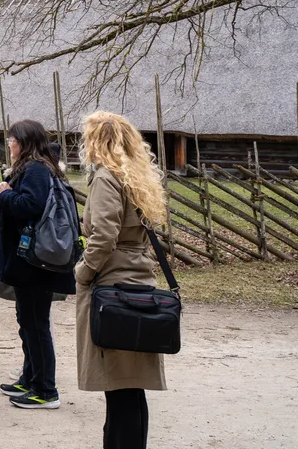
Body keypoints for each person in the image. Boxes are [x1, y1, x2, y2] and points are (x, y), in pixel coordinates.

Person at [74, 112, 168, 449]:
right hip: (139, 283)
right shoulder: (135, 176)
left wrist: (83, 272)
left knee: (120, 388)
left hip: (113, 290)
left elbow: (103, 235)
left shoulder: (107, 177)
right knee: (130, 387)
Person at [0, 119, 77, 410]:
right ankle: (30, 377)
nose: (10, 145)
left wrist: (5, 194)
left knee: (36, 324)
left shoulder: (37, 169)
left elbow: (29, 206)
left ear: (24, 142)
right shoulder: (34, 167)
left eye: (12, 140)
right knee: (27, 321)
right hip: (28, 263)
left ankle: (46, 390)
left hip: (35, 263)